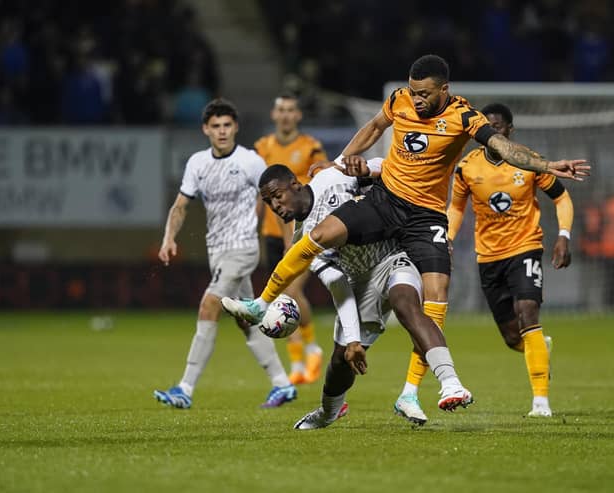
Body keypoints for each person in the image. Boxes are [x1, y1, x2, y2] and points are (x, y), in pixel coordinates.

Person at [221, 54, 589, 421]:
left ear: (445, 90)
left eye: (425, 94)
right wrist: (341, 159)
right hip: (386, 201)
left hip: (424, 217)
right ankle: (261, 302)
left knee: (434, 297)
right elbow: (374, 127)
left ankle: (441, 386)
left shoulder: (464, 117)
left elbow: (502, 148)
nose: (417, 100)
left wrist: (546, 165)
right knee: (320, 234)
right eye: (414, 93)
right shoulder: (399, 99)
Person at [256, 161, 470, 429]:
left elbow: (388, 169)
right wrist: (354, 340)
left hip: (392, 256)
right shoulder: (304, 240)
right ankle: (328, 411)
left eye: (278, 196)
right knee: (340, 359)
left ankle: (451, 383)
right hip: (357, 282)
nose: (275, 206)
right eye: (268, 202)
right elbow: (338, 285)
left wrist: (367, 167)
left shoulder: (333, 178)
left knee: (407, 305)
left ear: (295, 185)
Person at [153, 98, 296, 409]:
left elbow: (278, 199)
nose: (221, 131)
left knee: (209, 305)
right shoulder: (197, 164)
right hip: (216, 251)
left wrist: (289, 240)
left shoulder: (250, 162)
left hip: (243, 248)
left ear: (236, 128)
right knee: (247, 319)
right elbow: (181, 205)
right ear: (206, 129)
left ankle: (185, 388)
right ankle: (282, 384)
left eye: (227, 125)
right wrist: (168, 238)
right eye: (215, 126)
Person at [442, 102, 574, 418]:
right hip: (488, 257)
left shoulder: (529, 162)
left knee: (528, 312)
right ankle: (540, 347)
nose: (493, 133)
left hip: (525, 247)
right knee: (513, 337)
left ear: (509, 130)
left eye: (499, 127)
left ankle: (540, 403)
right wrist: (446, 237)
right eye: (488, 128)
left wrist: (563, 236)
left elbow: (561, 197)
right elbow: (457, 207)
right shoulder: (467, 167)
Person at [255, 92, 327, 385]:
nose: (285, 115)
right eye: (280, 109)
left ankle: (312, 348)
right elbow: (259, 195)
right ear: (274, 115)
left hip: (301, 233)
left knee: (292, 294)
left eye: (290, 110)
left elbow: (322, 177)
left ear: (298, 115)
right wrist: (254, 227)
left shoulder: (310, 147)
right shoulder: (262, 147)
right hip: (271, 234)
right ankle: (297, 362)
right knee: (282, 298)